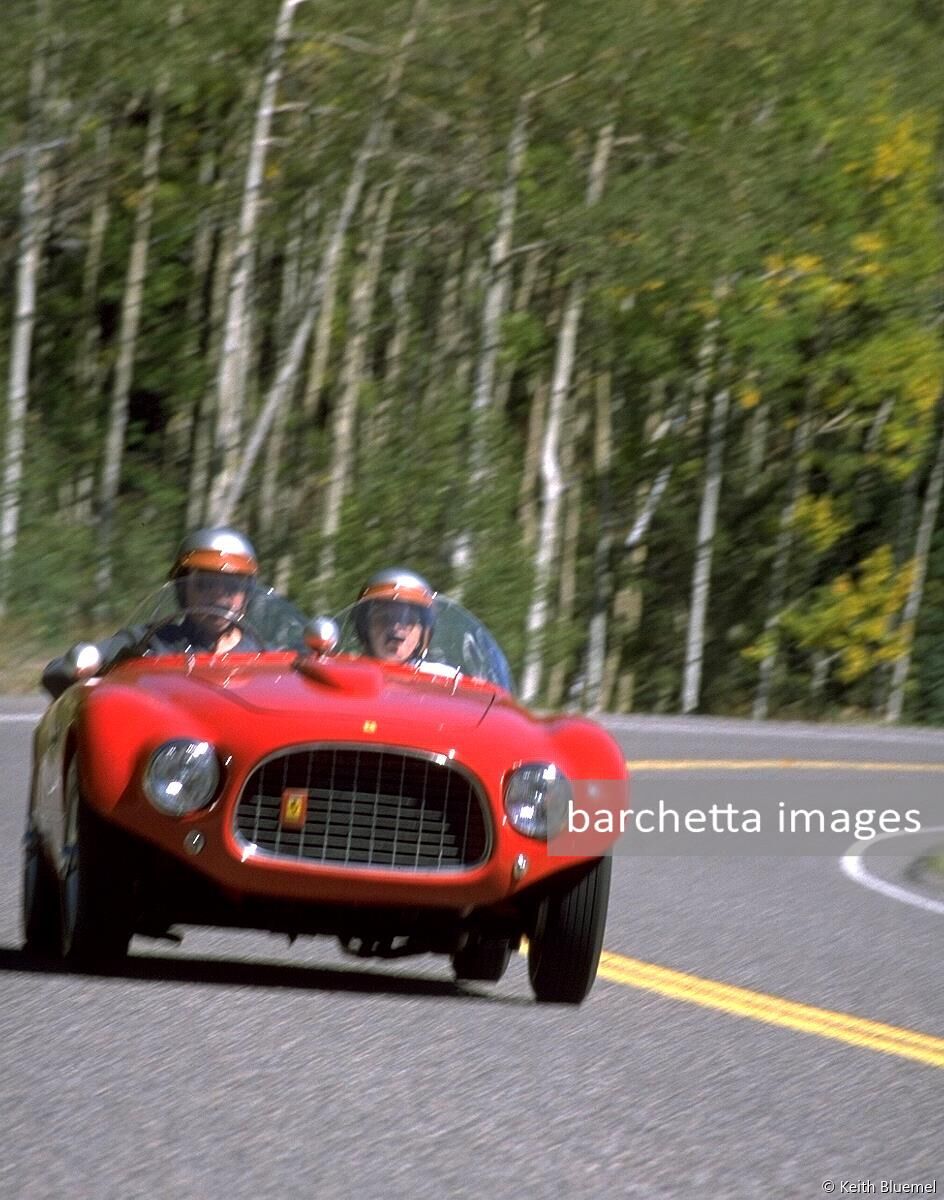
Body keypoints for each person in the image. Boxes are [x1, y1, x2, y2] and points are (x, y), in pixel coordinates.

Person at [41, 526, 262, 699]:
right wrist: (81, 666)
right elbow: (55, 673)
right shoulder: (149, 642)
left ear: (247, 594)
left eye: (232, 587)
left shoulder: (266, 652)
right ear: (183, 590)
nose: (220, 597)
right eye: (204, 585)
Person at [352, 568, 437, 664]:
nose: (397, 629)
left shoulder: (440, 676)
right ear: (364, 627)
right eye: (386, 618)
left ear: (423, 633)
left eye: (409, 620)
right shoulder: (345, 672)